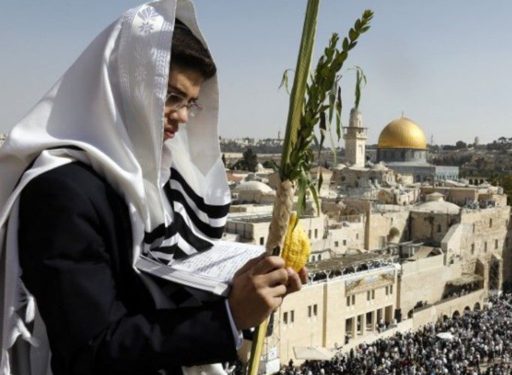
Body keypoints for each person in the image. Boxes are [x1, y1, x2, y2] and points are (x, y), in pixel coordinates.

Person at [0, 1, 304, 374]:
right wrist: (228, 316)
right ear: (124, 85)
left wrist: (244, 285)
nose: (182, 116)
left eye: (191, 103)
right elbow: (91, 349)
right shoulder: (61, 192)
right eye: (171, 96)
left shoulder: (147, 180)